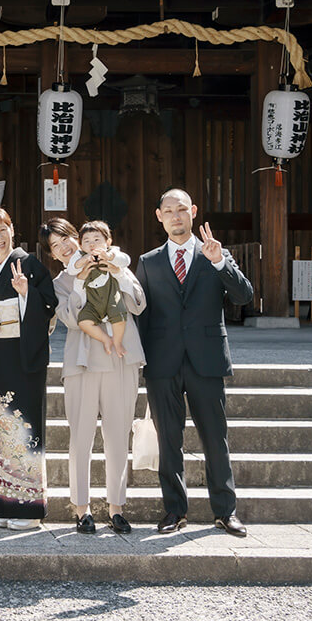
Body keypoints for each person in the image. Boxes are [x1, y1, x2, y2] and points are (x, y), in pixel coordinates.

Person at [136, 188, 253, 537]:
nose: (175, 216)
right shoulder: (148, 261)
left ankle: (225, 511)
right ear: (159, 216)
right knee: (169, 441)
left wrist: (220, 263)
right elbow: (141, 315)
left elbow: (243, 296)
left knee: (215, 439)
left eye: (182, 209)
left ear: (193, 212)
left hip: (207, 360)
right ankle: (174, 511)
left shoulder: (214, 253)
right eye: (168, 210)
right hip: (162, 362)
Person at [44, 217, 145, 536]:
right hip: (82, 363)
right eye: (55, 246)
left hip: (121, 358)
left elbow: (138, 305)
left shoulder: (116, 263)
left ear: (81, 239)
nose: (64, 248)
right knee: (81, 438)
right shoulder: (60, 282)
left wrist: (118, 271)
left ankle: (116, 508)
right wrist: (78, 279)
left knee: (118, 436)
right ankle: (81, 509)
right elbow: (71, 319)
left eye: (67, 239)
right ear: (53, 254)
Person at [0, 205, 58, 529]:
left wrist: (25, 296)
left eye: (2, 229)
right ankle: (2, 502)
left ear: (12, 229)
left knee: (26, 428)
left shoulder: (29, 263)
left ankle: (27, 508)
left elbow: (49, 303)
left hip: (24, 356)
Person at [65, 221, 131, 357]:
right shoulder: (79, 255)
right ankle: (105, 339)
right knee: (83, 322)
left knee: (119, 318)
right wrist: (82, 261)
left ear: (108, 242)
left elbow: (126, 260)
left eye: (96, 239)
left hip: (111, 296)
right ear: (80, 244)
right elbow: (71, 270)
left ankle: (117, 343)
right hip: (92, 300)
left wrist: (110, 257)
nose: (92, 244)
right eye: (87, 241)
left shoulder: (112, 252)